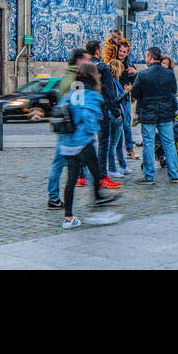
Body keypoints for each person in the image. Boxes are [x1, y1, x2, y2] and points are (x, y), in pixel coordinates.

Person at [59, 62, 118, 229]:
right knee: (98, 175)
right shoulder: (92, 94)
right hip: (83, 142)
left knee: (71, 179)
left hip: (68, 143)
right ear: (94, 76)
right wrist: (92, 130)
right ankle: (99, 212)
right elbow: (88, 117)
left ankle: (68, 218)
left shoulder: (72, 91)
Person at [46, 48, 90, 209]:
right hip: (73, 129)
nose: (89, 62)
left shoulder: (66, 77)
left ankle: (54, 197)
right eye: (86, 59)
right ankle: (57, 199)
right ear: (78, 60)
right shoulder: (77, 79)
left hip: (64, 127)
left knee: (59, 163)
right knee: (81, 163)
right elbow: (78, 105)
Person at [130, 45, 178, 183]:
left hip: (148, 114)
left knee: (148, 144)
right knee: (169, 143)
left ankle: (150, 176)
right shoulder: (169, 74)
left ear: (150, 57)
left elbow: (134, 93)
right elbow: (173, 91)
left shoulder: (143, 74)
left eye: (146, 56)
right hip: (166, 114)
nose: (145, 59)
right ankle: (174, 174)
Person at [83, 40, 123, 190]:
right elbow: (109, 92)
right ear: (98, 52)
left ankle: (81, 176)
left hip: (86, 109)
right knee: (103, 144)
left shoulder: (84, 67)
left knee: (86, 142)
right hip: (101, 109)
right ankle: (102, 176)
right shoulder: (102, 67)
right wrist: (116, 111)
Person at [108, 58, 132, 178]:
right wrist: (126, 92)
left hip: (119, 116)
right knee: (112, 145)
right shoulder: (112, 83)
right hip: (115, 116)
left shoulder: (114, 82)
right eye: (120, 70)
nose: (121, 73)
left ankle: (123, 166)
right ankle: (112, 169)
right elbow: (115, 100)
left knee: (118, 144)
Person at [117, 41, 137, 162]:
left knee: (126, 126)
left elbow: (136, 81)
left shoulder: (129, 64)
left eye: (124, 52)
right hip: (114, 99)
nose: (122, 53)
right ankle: (115, 149)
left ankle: (130, 149)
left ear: (127, 53)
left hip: (125, 99)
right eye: (120, 51)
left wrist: (136, 73)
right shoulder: (112, 63)